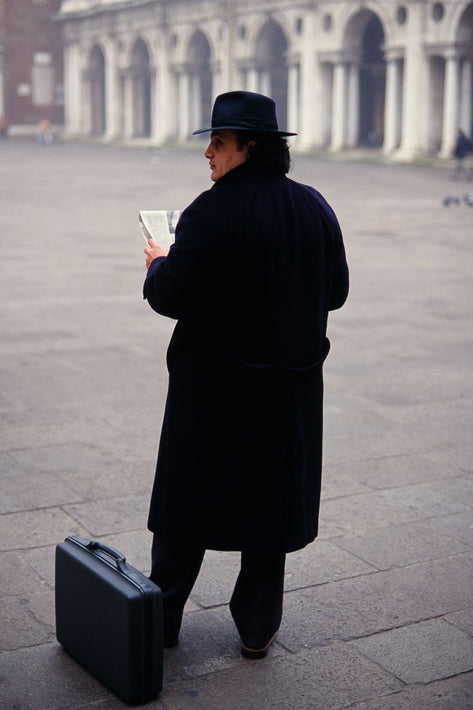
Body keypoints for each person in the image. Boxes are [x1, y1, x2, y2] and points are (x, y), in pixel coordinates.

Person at [143, 91, 349, 659]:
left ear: (249, 148)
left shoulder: (210, 210)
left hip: (214, 392)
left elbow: (170, 296)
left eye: (217, 141)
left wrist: (159, 260)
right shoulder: (314, 206)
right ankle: (257, 627)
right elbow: (336, 292)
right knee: (269, 503)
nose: (207, 153)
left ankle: (161, 620)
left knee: (188, 502)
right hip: (287, 391)